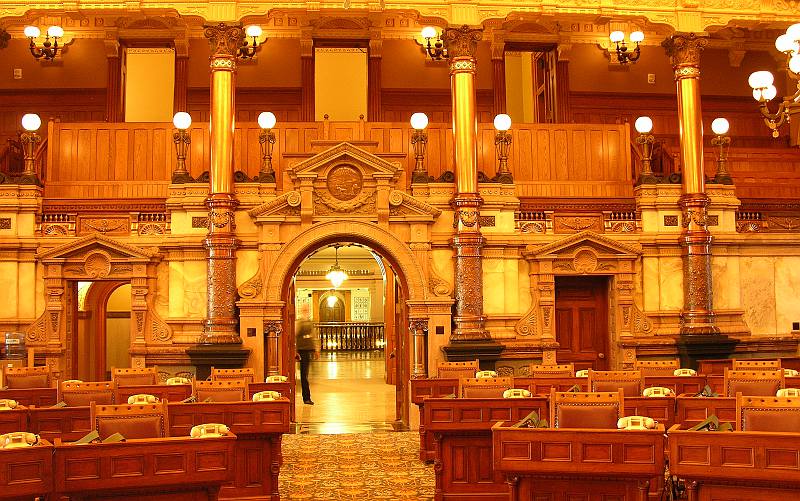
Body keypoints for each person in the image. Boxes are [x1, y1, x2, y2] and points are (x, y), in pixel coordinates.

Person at [295, 320, 319, 405]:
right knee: (304, 375)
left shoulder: (310, 323)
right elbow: (295, 336)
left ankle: (307, 397)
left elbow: (314, 336)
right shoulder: (299, 323)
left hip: (307, 351)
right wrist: (295, 350)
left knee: (305, 374)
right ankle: (306, 398)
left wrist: (316, 349)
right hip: (302, 352)